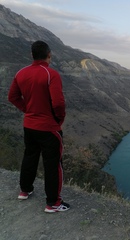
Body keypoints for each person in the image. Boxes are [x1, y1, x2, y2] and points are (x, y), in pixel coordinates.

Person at [8, 40, 70, 213]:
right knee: (53, 164)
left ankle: (24, 190)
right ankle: (53, 203)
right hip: (48, 127)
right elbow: (58, 103)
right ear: (49, 55)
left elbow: (12, 97)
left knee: (30, 156)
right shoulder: (51, 74)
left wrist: (27, 109)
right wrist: (58, 119)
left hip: (29, 125)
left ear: (32, 55)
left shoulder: (21, 73)